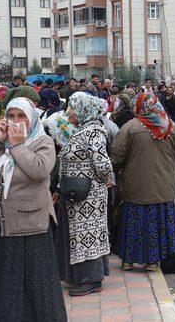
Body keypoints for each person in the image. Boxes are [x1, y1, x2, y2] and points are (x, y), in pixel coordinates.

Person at [0, 97, 66, 321]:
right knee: (0, 283)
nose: (16, 121)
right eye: (11, 116)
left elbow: (39, 170)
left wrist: (17, 145)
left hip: (30, 228)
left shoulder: (42, 142)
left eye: (21, 116)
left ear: (32, 119)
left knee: (35, 286)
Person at [111, 92, 175, 271]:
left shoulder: (130, 127)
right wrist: (172, 171)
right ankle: (152, 262)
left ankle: (128, 261)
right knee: (157, 224)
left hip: (134, 185)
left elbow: (117, 155)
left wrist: (121, 172)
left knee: (133, 222)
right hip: (163, 187)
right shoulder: (172, 127)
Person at [55, 92, 114, 296]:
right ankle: (82, 277)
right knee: (81, 236)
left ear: (83, 109)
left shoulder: (93, 132)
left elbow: (103, 164)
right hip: (79, 195)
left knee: (87, 236)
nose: (69, 112)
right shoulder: (83, 130)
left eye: (72, 108)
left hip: (88, 196)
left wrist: (100, 180)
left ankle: (90, 279)